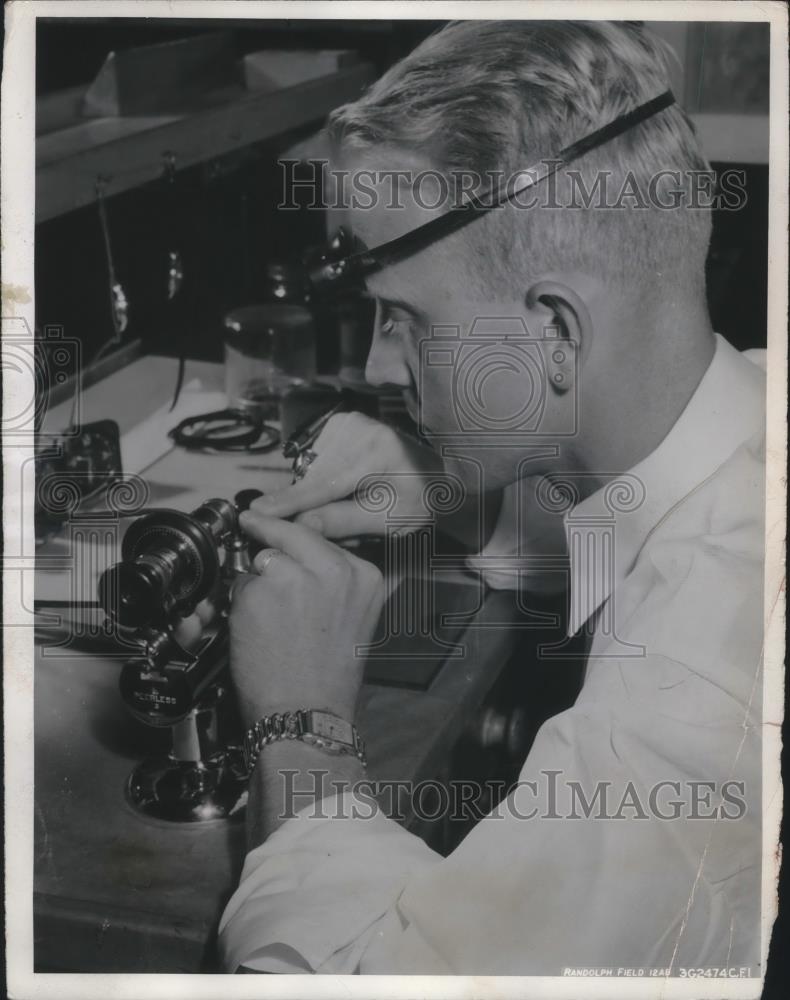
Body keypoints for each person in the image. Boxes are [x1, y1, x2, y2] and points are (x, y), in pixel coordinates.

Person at [218, 21, 766, 975]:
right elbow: (630, 515)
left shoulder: (694, 706)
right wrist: (451, 487)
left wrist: (300, 720)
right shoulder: (746, 420)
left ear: (554, 330)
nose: (381, 365)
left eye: (407, 320)